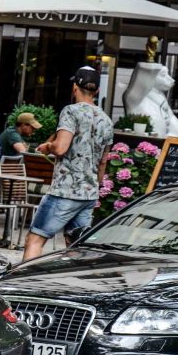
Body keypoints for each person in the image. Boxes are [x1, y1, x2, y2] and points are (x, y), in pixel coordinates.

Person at [23, 67, 114, 261]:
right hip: (88, 194)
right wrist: (95, 186)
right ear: (97, 91)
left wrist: (48, 146)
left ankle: (22, 285)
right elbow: (103, 161)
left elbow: (61, 147)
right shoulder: (106, 121)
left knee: (34, 240)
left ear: (75, 87)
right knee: (75, 249)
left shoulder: (71, 111)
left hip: (64, 191)